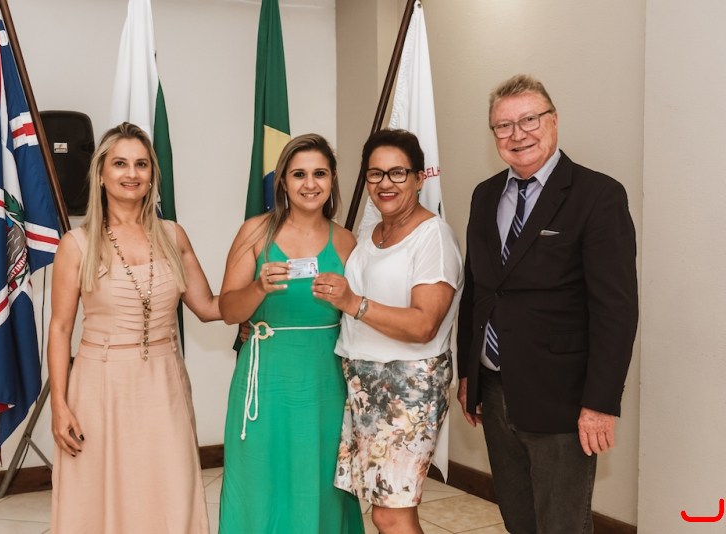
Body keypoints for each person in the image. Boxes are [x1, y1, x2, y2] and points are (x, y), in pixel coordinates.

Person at [456, 74, 639, 534]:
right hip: (494, 389)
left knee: (562, 524)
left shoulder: (598, 195)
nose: (517, 134)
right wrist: (468, 373)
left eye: (529, 120)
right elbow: (477, 290)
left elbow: (616, 309)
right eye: (503, 126)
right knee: (519, 519)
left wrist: (600, 403)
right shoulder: (484, 195)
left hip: (562, 396)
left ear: (553, 121)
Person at [48, 122, 220, 534]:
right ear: (101, 174)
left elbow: (209, 307)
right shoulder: (76, 244)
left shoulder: (173, 235)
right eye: (120, 163)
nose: (132, 173)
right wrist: (59, 405)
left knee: (170, 487)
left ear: (152, 174)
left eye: (142, 164)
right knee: (100, 491)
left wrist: (258, 293)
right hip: (100, 385)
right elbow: (60, 328)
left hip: (164, 381)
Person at [313, 129, 463, 534]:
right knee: (383, 509)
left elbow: (424, 324)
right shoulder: (371, 234)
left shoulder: (433, 237)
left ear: (419, 178)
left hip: (406, 387)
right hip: (363, 384)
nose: (385, 183)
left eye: (398, 173)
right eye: (375, 174)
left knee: (390, 514)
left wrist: (355, 303)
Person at [218, 134, 364, 533]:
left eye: (320, 173)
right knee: (259, 480)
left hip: (325, 380)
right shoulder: (254, 233)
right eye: (299, 174)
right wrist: (258, 288)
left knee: (319, 481)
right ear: (282, 180)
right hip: (266, 377)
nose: (310, 184)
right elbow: (229, 311)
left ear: (333, 179)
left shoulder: (347, 241)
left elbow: (359, 313)